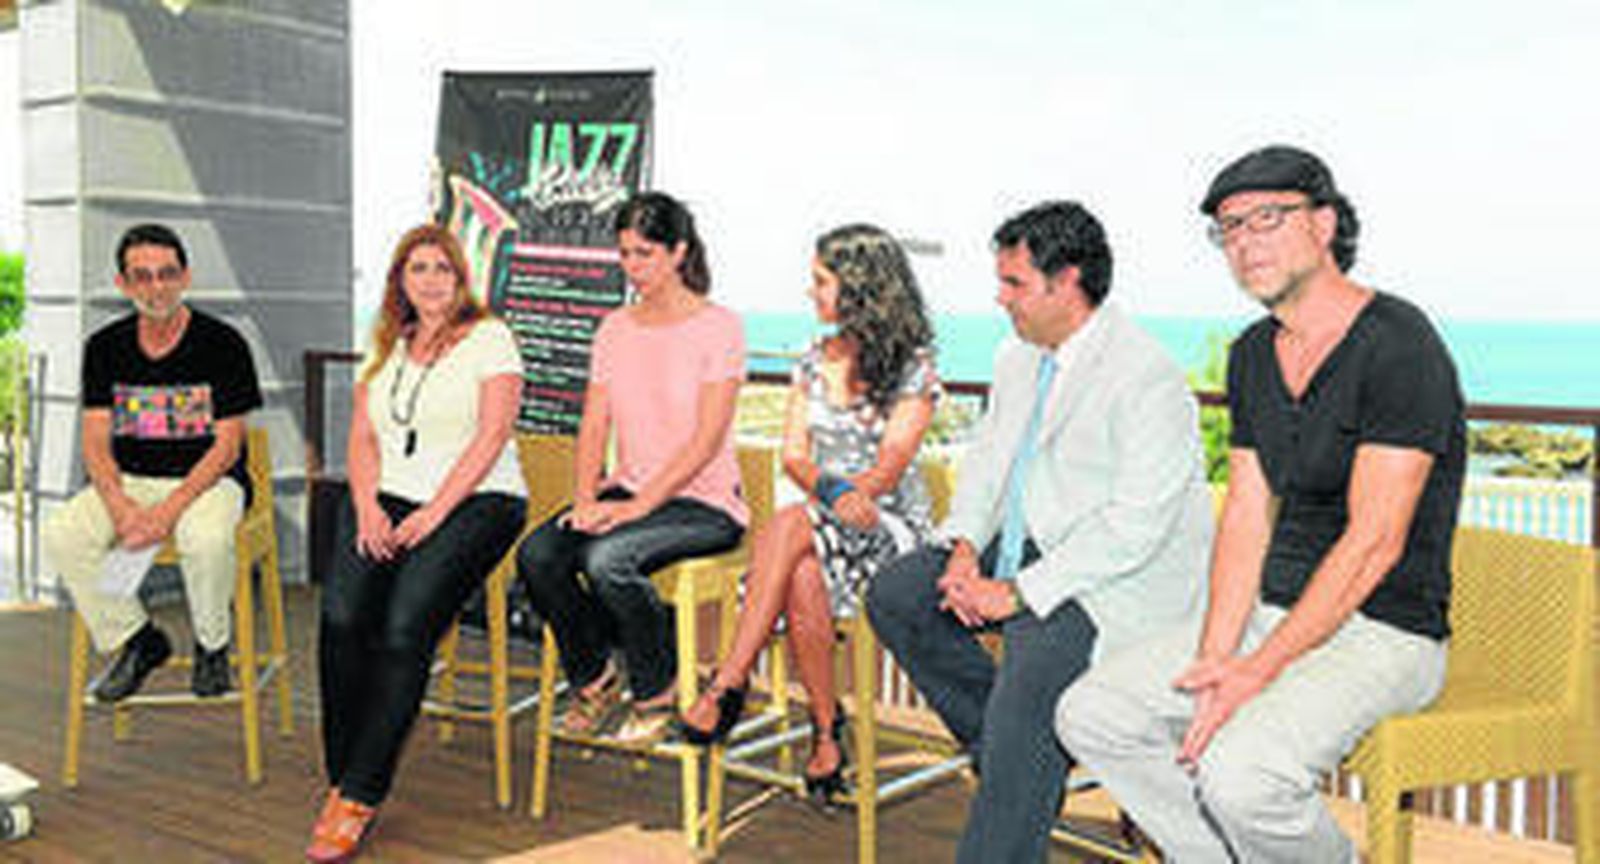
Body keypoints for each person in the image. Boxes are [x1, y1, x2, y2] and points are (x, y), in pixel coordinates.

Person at [1058, 145, 1467, 863]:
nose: (1245, 244)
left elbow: (1374, 541)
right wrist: (1219, 656)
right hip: (1272, 615)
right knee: (1092, 714)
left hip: (1385, 634)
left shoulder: (1400, 345)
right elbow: (1246, 519)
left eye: (1267, 219)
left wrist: (1257, 669)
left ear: (1324, 224)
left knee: (1244, 775)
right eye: (1229, 229)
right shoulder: (1253, 354)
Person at [866, 201, 1213, 863]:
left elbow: (1135, 527)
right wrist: (964, 549)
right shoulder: (1016, 355)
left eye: (1014, 284)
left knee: (1028, 686)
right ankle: (1018, 764)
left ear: (1068, 282)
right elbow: (991, 463)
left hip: (1109, 575)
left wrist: (1017, 593)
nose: (999, 299)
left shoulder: (1148, 376)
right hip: (1022, 542)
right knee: (901, 594)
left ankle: (1016, 768)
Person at [677, 224, 941, 802]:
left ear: (859, 286)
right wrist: (831, 493)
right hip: (825, 520)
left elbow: (893, 462)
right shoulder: (811, 359)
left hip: (888, 528)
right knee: (799, 562)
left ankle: (728, 683)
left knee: (792, 527)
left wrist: (848, 497)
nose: (810, 292)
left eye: (821, 280)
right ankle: (825, 734)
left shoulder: (914, 366)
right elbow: (793, 456)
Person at [307, 224, 528, 862]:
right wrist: (368, 504)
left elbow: (491, 438)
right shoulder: (385, 344)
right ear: (399, 281)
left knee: (405, 627)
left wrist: (435, 513)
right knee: (342, 616)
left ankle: (358, 794)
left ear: (461, 277)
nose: (429, 280)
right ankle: (346, 767)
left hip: (479, 500)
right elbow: (363, 438)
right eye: (416, 269)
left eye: (441, 268)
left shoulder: (491, 338)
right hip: (389, 496)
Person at [516, 191, 747, 745]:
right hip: (628, 491)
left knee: (608, 560)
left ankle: (656, 689)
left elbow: (706, 437)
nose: (632, 267)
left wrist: (638, 508)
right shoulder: (614, 329)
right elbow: (593, 424)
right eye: (624, 254)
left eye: (644, 253)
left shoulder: (719, 327)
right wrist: (585, 500)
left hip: (705, 504)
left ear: (678, 252)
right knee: (539, 554)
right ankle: (595, 676)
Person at [43, 223, 263, 703]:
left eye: (166, 274)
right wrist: (121, 508)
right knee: (62, 532)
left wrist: (166, 513)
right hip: (132, 483)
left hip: (209, 483)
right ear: (123, 284)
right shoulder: (104, 348)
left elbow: (226, 446)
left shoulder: (223, 343)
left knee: (203, 538)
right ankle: (138, 641)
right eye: (141, 277)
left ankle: (212, 645)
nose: (155, 287)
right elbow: (96, 443)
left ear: (185, 277)